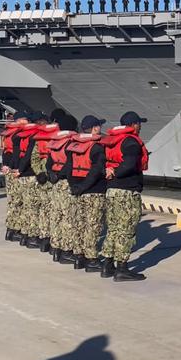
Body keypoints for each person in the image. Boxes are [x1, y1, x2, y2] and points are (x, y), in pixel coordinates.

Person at [99, 111, 150, 281]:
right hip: (127, 192)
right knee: (126, 229)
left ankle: (107, 264)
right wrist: (116, 173)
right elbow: (128, 165)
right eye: (139, 124)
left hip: (111, 191)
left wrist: (110, 173)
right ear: (134, 124)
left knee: (113, 228)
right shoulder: (131, 142)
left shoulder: (112, 142)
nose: (140, 127)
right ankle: (122, 267)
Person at [65, 115, 108, 272]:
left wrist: (75, 187)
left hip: (77, 190)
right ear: (95, 128)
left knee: (80, 224)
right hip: (94, 191)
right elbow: (96, 171)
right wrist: (84, 186)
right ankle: (91, 259)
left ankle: (78, 257)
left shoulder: (73, 145)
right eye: (99, 126)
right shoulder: (97, 147)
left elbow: (69, 168)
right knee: (93, 226)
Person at [46, 117, 77, 265]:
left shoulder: (54, 142)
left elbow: (48, 163)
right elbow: (70, 163)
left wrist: (52, 175)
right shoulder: (70, 142)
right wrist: (60, 175)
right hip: (66, 182)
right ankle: (67, 251)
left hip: (55, 183)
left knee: (56, 216)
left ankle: (56, 249)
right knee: (68, 217)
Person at [31, 119, 60, 252]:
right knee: (56, 210)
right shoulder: (59, 137)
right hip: (55, 175)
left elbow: (34, 158)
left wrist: (39, 173)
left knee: (44, 208)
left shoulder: (39, 140)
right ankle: (54, 242)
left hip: (43, 175)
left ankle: (44, 239)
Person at [12, 116, 42, 248]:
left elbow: (16, 153)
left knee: (24, 206)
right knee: (33, 207)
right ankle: (32, 237)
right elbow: (30, 155)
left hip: (20, 174)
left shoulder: (18, 136)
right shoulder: (34, 136)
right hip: (31, 175)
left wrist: (16, 168)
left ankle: (24, 235)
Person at [1, 113, 26, 240]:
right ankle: (14, 230)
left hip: (8, 167)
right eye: (24, 119)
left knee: (13, 201)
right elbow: (16, 153)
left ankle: (11, 230)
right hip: (14, 170)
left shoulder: (8, 132)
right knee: (17, 201)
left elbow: (5, 151)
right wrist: (16, 169)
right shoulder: (17, 134)